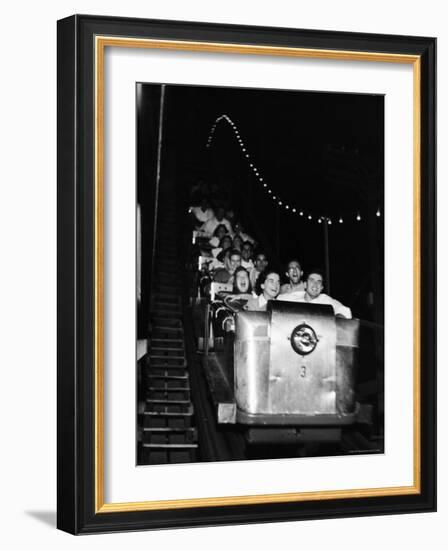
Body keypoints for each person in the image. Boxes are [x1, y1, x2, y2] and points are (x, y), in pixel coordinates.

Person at [277, 268, 352, 318]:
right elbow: (278, 301)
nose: (315, 284)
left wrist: (338, 317)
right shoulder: (295, 296)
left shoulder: (325, 299)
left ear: (322, 288)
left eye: (318, 282)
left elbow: (345, 311)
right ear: (305, 285)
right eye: (312, 280)